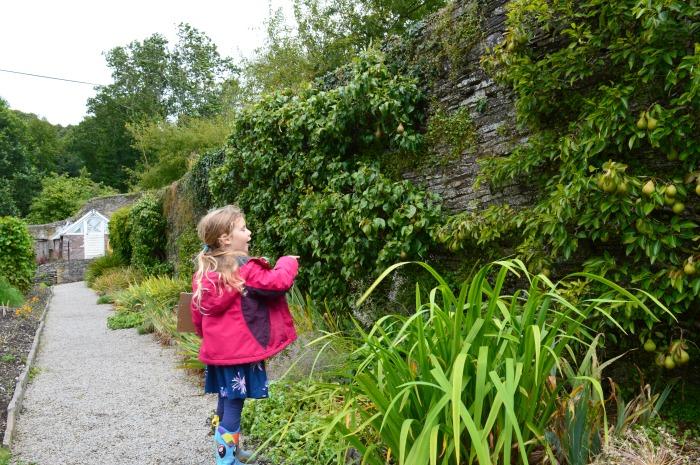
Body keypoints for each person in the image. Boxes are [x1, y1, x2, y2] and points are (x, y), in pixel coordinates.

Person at [190, 205, 299, 465]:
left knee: (225, 398)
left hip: (218, 353)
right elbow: (278, 283)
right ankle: (226, 460)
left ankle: (230, 451)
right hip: (238, 353)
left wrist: (207, 339)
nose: (248, 233)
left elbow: (197, 314)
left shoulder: (205, 270)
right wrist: (288, 262)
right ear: (225, 238)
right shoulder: (245, 269)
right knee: (235, 402)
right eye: (243, 228)